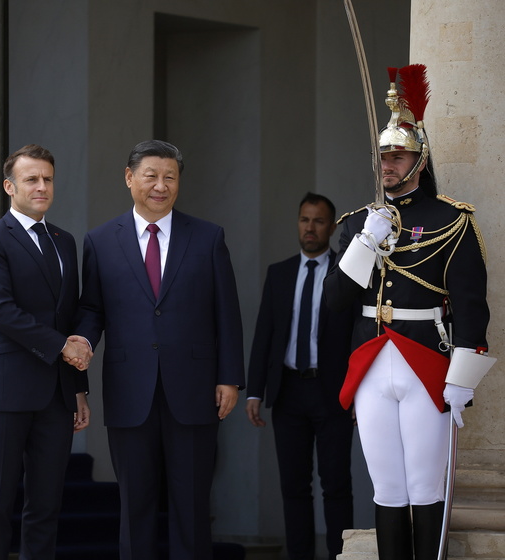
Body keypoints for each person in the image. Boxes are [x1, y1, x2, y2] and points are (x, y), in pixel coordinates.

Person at [324, 64, 493, 559]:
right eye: (383, 156)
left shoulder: (451, 220)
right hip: (372, 361)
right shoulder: (359, 222)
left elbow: (470, 306)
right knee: (387, 488)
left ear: (420, 160)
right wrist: (365, 243)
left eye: (398, 155)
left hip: (425, 360)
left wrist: (464, 376)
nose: (388, 165)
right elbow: (335, 303)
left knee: (424, 486)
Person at [76, 139, 244, 559]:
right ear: (129, 178)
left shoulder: (207, 237)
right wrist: (77, 357)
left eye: (170, 177)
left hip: (194, 390)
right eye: (151, 175)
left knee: (191, 506)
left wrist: (229, 377)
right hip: (129, 391)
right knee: (136, 507)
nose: (160, 185)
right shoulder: (99, 241)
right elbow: (91, 311)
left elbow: (227, 313)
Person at [0, 144, 91, 560]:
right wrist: (63, 348)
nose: (42, 186)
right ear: (10, 186)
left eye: (48, 179)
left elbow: (68, 316)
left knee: (45, 507)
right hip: (3, 390)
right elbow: (1, 312)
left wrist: (77, 388)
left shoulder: (65, 241)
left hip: (56, 395)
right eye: (31, 179)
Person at [245, 192, 355, 559]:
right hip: (288, 390)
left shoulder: (348, 274)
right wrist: (254, 391)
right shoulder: (279, 273)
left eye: (318, 221)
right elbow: (265, 334)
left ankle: (341, 555)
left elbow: (359, 338)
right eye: (304, 219)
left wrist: (358, 393)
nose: (310, 227)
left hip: (332, 392)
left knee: (336, 485)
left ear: (332, 226)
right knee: (294, 486)